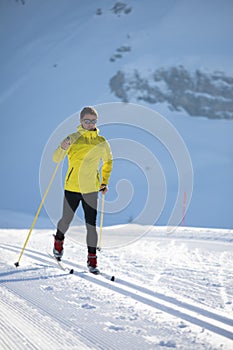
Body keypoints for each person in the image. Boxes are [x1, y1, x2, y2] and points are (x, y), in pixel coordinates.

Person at [52, 106, 113, 274]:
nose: (90, 124)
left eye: (93, 121)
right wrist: (63, 147)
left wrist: (104, 182)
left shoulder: (101, 142)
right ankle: (58, 241)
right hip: (72, 187)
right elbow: (56, 158)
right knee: (66, 220)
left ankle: (92, 259)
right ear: (80, 121)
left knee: (90, 226)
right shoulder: (72, 138)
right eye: (87, 121)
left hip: (91, 190)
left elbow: (108, 162)